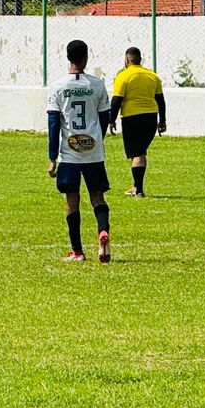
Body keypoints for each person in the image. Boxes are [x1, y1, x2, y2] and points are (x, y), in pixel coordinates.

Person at [48, 39, 114, 263]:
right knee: (97, 196)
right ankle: (103, 232)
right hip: (93, 151)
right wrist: (96, 138)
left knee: (72, 200)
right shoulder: (97, 85)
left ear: (68, 58)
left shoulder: (58, 86)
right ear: (86, 57)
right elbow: (105, 117)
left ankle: (77, 251)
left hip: (70, 153)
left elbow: (54, 124)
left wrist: (52, 157)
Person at [110, 47, 166, 197]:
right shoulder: (152, 76)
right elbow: (160, 100)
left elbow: (116, 100)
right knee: (140, 151)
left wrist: (111, 120)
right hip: (151, 117)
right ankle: (136, 185)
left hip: (131, 117)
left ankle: (139, 190)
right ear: (140, 60)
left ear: (127, 60)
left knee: (137, 153)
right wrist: (162, 120)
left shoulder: (123, 76)